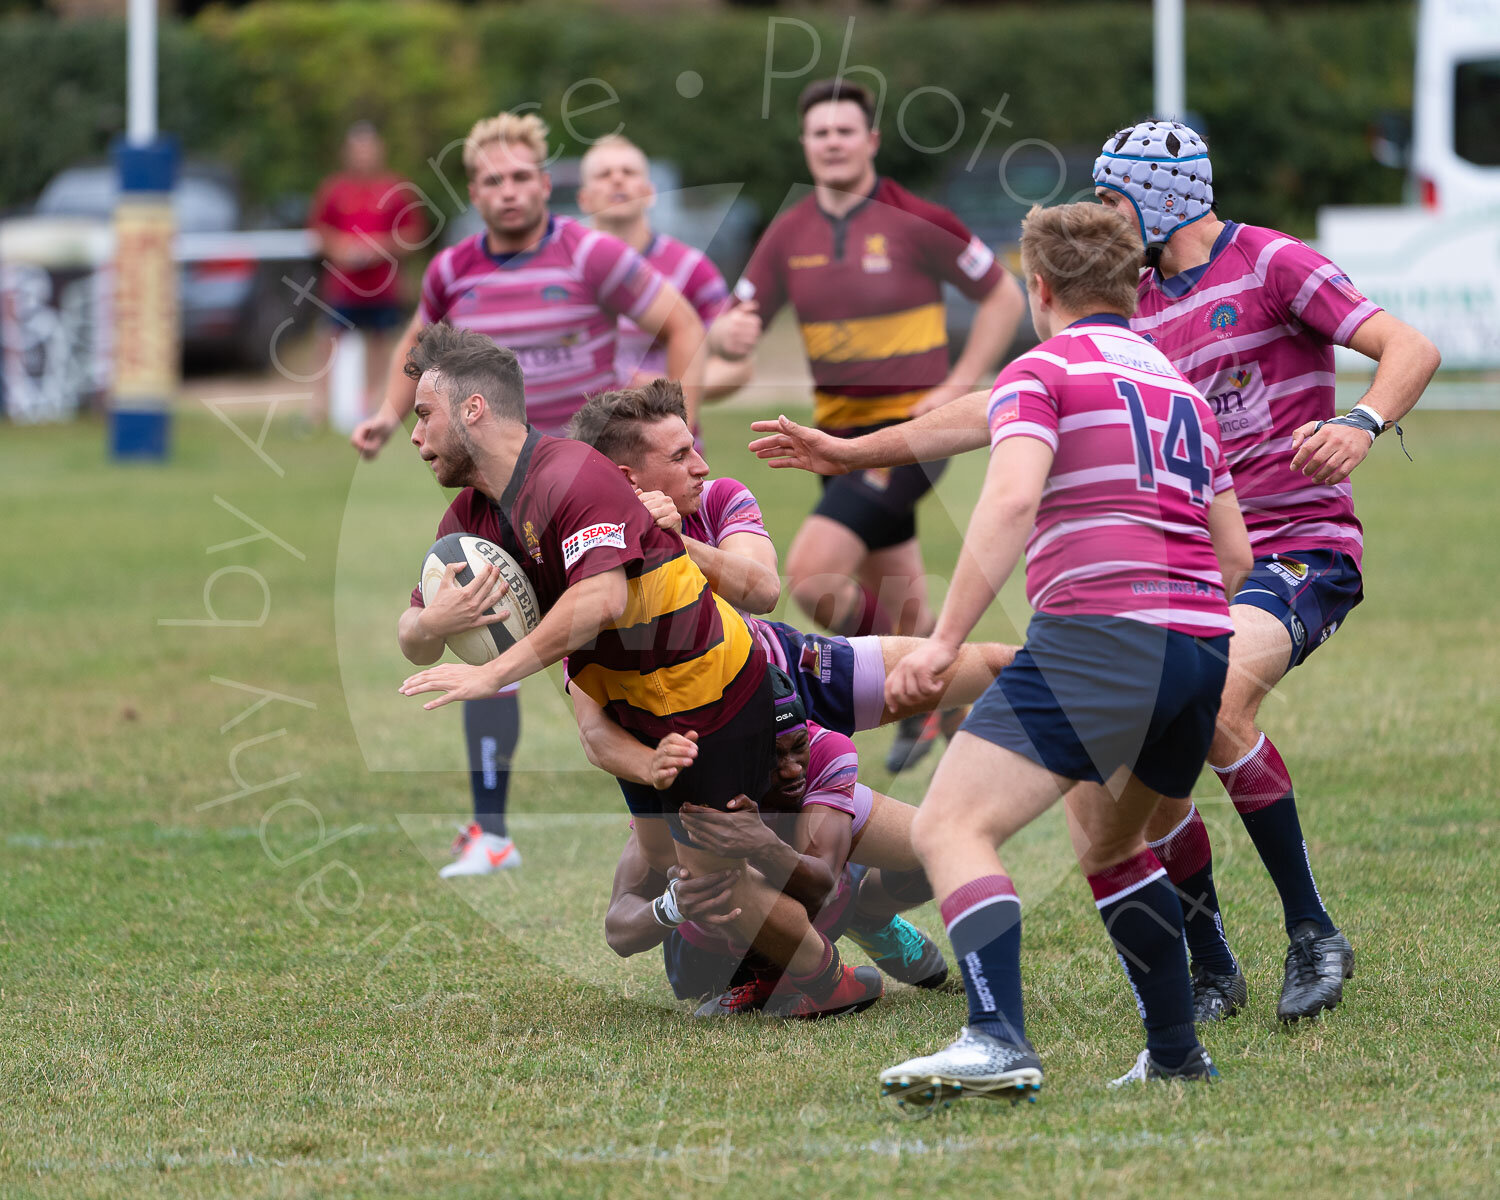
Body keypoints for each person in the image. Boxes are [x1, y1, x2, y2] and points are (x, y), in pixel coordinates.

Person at [752, 120, 1441, 1024]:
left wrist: (1359, 421)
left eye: (1114, 197)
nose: (1104, 214)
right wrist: (849, 451)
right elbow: (993, 404)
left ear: (1156, 199)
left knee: (1224, 694)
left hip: (1297, 549)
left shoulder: (1272, 263)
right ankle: (1210, 963)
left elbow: (1410, 348)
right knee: (1137, 790)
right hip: (1191, 568)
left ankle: (1313, 930)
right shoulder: (1132, 302)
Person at [878, 202, 1253, 1110]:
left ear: (1038, 288)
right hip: (1201, 644)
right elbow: (1237, 556)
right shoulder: (1181, 393)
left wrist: (945, 641)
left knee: (949, 827)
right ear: (1133, 285)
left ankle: (995, 1037)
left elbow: (1008, 504)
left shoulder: (1039, 371)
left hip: (1099, 638)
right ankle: (1175, 1054)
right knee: (1115, 846)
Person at [396, 324, 881, 1017]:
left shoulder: (572, 476)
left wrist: (491, 672)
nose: (415, 434)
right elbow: (411, 631)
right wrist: (433, 625)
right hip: (641, 717)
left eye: (424, 414)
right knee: (685, 899)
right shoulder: (473, 514)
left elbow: (601, 598)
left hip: (716, 695)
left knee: (710, 873)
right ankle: (837, 909)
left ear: (473, 409)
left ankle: (828, 975)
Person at [350, 112, 708, 877]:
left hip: (589, 481)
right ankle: (491, 831)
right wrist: (387, 416)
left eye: (522, 178)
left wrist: (678, 436)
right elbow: (419, 354)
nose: (509, 192)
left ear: (546, 184)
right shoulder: (452, 271)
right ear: (474, 191)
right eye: (492, 181)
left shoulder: (591, 252)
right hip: (500, 491)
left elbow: (682, 324)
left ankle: (718, 780)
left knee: (649, 632)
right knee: (481, 617)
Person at [715, 79, 1027, 773]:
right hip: (836, 446)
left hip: (914, 434)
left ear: (871, 141)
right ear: (806, 145)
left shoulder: (919, 217)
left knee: (812, 576)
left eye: (844, 131)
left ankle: (925, 685)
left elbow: (1004, 297)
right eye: (819, 132)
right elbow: (739, 328)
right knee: (904, 605)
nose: (831, 142)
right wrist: (728, 334)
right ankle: (963, 716)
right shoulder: (787, 233)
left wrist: (956, 383)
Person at [568, 379, 1017, 738]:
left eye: (694, 448)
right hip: (703, 739)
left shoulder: (718, 499)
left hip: (792, 667)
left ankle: (1074, 676)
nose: (702, 466)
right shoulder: (580, 564)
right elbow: (593, 729)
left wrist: (675, 545)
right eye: (681, 456)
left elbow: (762, 589)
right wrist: (652, 769)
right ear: (628, 480)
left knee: (995, 665)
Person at [598, 676, 948, 1015]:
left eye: (799, 748)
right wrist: (673, 905)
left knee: (942, 843)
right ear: (741, 755)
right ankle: (787, 982)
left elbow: (820, 890)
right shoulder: (698, 788)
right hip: (715, 958)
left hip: (819, 903)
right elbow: (618, 930)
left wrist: (762, 844)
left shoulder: (826, 748)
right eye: (773, 756)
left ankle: (869, 918)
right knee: (725, 876)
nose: (793, 769)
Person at [575, 134, 749, 398]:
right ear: (584, 199)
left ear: (649, 193)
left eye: (629, 172)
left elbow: (737, 366)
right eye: (604, 174)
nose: (617, 179)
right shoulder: (563, 268)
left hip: (669, 434)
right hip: (582, 436)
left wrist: (671, 388)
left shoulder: (691, 267)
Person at [306, 121, 427, 427]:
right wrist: (342, 248)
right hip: (342, 287)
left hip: (382, 287)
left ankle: (372, 402)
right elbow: (317, 233)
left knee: (380, 343)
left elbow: (414, 234)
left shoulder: (396, 189)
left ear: (379, 151)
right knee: (328, 340)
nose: (363, 156)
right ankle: (319, 406)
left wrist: (381, 246)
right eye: (357, 150)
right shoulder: (334, 190)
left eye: (368, 149)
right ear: (347, 153)